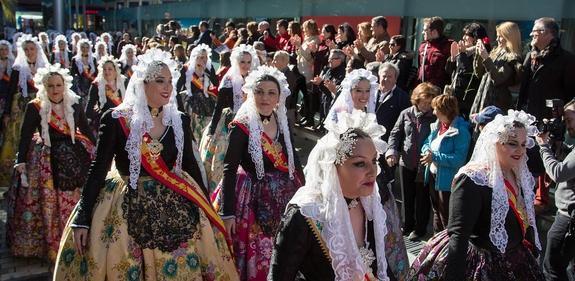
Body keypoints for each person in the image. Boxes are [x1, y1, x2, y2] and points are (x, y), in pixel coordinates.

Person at [53, 48, 238, 280]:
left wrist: (206, 208)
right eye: (159, 81)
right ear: (142, 83)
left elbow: (190, 165)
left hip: (175, 201)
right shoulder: (116, 120)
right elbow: (98, 169)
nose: (168, 87)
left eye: (170, 81)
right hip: (126, 202)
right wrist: (83, 217)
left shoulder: (179, 119)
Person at [409, 110, 544, 281]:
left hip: (516, 260)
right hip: (479, 264)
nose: (520, 150)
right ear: (494, 143)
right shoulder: (472, 178)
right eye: (512, 143)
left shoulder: (519, 174)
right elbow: (459, 234)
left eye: (524, 144)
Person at [269, 111, 392, 281]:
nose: (373, 171)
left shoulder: (368, 205)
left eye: (374, 161)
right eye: (360, 163)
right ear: (332, 167)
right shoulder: (306, 214)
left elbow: (378, 268)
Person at [213, 66, 303, 281]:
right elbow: (229, 168)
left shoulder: (283, 121)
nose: (265, 97)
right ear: (251, 94)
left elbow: (295, 161)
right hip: (250, 197)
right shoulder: (242, 125)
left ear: (279, 97)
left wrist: (308, 193)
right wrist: (228, 213)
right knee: (258, 253)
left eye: (271, 92)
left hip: (284, 195)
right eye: (259, 91)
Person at [6, 63, 95, 262]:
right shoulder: (35, 106)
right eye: (51, 86)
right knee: (49, 201)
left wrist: (99, 148)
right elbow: (25, 135)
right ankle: (54, 245)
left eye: (58, 85)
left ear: (65, 85)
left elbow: (86, 130)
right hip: (47, 157)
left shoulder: (74, 103)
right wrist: (20, 160)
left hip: (75, 154)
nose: (55, 90)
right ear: (44, 87)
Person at [326, 69, 410, 280]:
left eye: (367, 91)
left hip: (373, 182)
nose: (363, 96)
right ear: (349, 91)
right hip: (349, 186)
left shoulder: (369, 114)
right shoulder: (340, 117)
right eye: (358, 90)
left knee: (382, 235)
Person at [200, 44, 259, 193]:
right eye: (242, 62)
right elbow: (219, 106)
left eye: (248, 62)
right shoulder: (229, 79)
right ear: (236, 62)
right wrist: (213, 129)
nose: (246, 65)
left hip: (253, 121)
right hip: (230, 123)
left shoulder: (255, 79)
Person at [386, 82, 439, 241]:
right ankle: (407, 225)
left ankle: (420, 229)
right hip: (407, 162)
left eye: (430, 103)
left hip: (424, 165)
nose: (427, 106)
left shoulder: (435, 117)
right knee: (407, 197)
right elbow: (395, 134)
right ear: (416, 99)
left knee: (422, 199)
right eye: (424, 102)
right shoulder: (406, 114)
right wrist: (392, 151)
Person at [0, 35, 50, 186]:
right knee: (19, 139)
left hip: (41, 107)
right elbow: (10, 91)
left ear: (37, 49)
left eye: (32, 49)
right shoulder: (18, 68)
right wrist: (7, 113)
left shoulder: (44, 67)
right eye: (26, 49)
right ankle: (14, 179)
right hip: (22, 108)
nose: (29, 52)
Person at [420, 94, 471, 233]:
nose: (433, 111)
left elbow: (459, 160)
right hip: (433, 175)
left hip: (448, 181)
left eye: (436, 109)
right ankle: (436, 245)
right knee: (436, 210)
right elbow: (426, 143)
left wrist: (434, 157)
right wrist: (427, 152)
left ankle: (448, 248)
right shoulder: (438, 126)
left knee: (446, 216)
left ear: (445, 110)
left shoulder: (461, 132)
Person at [537, 100, 575, 281]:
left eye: (569, 120)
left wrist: (543, 146)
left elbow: (558, 173)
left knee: (552, 268)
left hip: (568, 219)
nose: (566, 125)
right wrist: (557, 146)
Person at [517, 17, 575, 120]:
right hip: (526, 116)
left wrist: (560, 116)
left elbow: (570, 93)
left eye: (535, 31)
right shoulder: (530, 55)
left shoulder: (566, 59)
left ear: (547, 33)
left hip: (549, 119)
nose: (531, 35)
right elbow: (523, 85)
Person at [471, 21, 523, 116]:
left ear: (509, 37)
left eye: (500, 36)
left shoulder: (513, 58)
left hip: (497, 102)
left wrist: (486, 58)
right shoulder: (495, 52)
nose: (497, 39)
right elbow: (479, 73)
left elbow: (498, 79)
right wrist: (480, 55)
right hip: (484, 96)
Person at [445, 23, 489, 118]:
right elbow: (449, 72)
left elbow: (467, 73)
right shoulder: (464, 52)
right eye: (463, 34)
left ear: (476, 38)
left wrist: (462, 54)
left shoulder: (480, 53)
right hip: (456, 97)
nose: (464, 38)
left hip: (468, 100)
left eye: (467, 35)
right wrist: (453, 58)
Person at [176, 43, 218, 143]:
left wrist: (207, 70)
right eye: (200, 57)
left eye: (205, 57)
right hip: (191, 102)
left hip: (207, 102)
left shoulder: (209, 68)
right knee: (192, 128)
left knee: (205, 128)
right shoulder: (186, 69)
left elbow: (216, 83)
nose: (203, 60)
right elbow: (178, 87)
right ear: (195, 57)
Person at [85, 55, 127, 132]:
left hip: (123, 120)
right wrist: (89, 120)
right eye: (104, 69)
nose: (107, 72)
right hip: (105, 121)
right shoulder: (96, 85)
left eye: (110, 69)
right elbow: (90, 104)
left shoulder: (124, 82)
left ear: (115, 70)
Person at [311, 48, 346, 131]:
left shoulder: (342, 74)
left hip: (332, 106)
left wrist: (321, 83)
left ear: (339, 60)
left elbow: (334, 93)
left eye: (332, 59)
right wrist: (319, 82)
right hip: (324, 102)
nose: (329, 60)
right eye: (329, 58)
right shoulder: (328, 70)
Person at [417, 17, 453, 90]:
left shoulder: (449, 46)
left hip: (439, 91)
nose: (423, 32)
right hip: (423, 90)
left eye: (425, 30)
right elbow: (420, 68)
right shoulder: (423, 46)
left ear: (434, 31)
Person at [70, 39, 97, 108]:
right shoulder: (75, 59)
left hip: (91, 84)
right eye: (83, 47)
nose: (85, 49)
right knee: (81, 105)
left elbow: (96, 73)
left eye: (87, 47)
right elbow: (72, 74)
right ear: (79, 48)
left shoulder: (93, 59)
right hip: (80, 85)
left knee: (90, 104)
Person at [0, 40, 14, 129]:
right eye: (1, 49)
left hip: (8, 93)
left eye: (6, 49)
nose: (4, 51)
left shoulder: (12, 62)